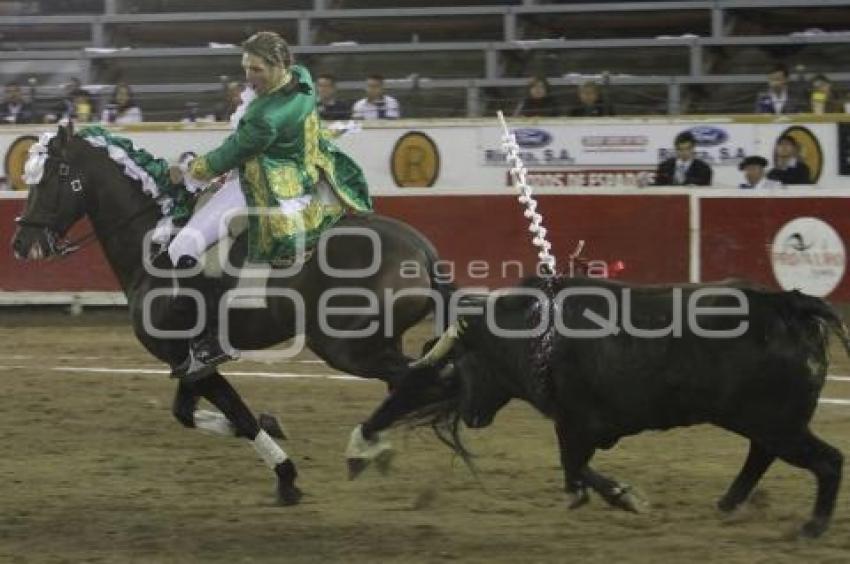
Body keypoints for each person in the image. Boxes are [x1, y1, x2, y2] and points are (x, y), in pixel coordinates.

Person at [158, 31, 372, 381]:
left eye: (256, 69)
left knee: (183, 246)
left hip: (265, 183)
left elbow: (229, 155)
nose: (249, 77)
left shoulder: (263, 116)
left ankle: (212, 338)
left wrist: (189, 172)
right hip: (303, 172)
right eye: (246, 68)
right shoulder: (301, 78)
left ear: (278, 65)